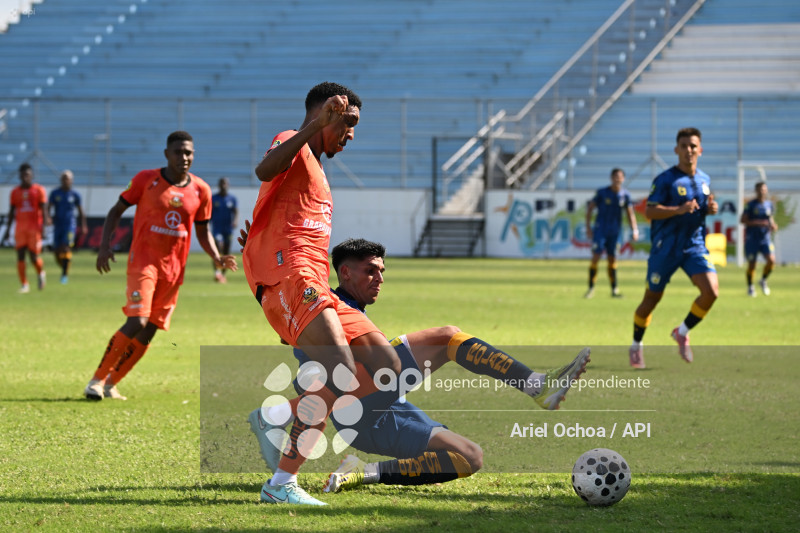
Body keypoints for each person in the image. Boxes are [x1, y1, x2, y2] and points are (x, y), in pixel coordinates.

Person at [246, 237, 591, 494]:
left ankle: (364, 471)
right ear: (345, 272)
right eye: (370, 271)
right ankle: (534, 385)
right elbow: (289, 298)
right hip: (356, 405)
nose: (379, 278)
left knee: (469, 457)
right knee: (446, 337)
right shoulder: (324, 309)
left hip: (381, 417)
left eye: (382, 271)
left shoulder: (349, 312)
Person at [243, 81, 405, 506]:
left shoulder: (316, 166)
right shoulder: (290, 142)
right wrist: (316, 124)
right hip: (293, 277)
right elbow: (263, 171)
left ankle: (279, 416)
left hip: (314, 282)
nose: (350, 134)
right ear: (323, 116)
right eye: (346, 125)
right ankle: (281, 484)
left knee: (386, 365)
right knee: (339, 370)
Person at [83, 131, 237, 401]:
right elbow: (116, 211)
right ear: (167, 154)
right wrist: (105, 246)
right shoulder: (146, 179)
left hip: (174, 270)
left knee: (151, 328)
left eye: (188, 152)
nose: (184, 157)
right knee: (137, 321)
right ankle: (96, 380)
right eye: (178, 152)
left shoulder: (201, 190)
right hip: (144, 263)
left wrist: (216, 256)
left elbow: (203, 230)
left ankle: (111, 384)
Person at [629, 127, 719, 369]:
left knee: (711, 292)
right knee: (651, 300)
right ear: (676, 150)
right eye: (684, 146)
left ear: (700, 149)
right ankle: (636, 345)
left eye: (693, 146)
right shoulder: (665, 180)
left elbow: (702, 206)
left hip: (694, 247)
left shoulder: (705, 179)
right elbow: (649, 211)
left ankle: (682, 332)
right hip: (665, 248)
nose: (688, 150)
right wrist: (677, 210)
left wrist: (709, 210)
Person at [584, 168, 638, 298]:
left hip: (615, 232)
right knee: (596, 257)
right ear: (611, 178)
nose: (617, 179)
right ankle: (591, 288)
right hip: (600, 231)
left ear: (623, 179)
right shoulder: (602, 193)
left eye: (620, 177)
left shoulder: (625, 195)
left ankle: (614, 290)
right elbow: (590, 209)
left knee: (612, 258)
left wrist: (634, 230)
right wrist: (588, 227)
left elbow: (630, 213)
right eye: (615, 177)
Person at [2, 163, 50, 293]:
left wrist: (44, 228)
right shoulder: (15, 192)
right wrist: (7, 231)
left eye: (27, 175)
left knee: (34, 257)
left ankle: (41, 273)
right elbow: (12, 212)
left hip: (34, 229)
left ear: (32, 175)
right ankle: (24, 284)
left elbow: (44, 210)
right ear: (19, 176)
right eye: (23, 175)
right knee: (20, 255)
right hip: (20, 229)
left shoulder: (39, 190)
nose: (25, 177)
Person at [48, 170, 88, 284]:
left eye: (68, 178)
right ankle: (66, 266)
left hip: (70, 225)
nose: (66, 180)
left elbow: (81, 211)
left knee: (66, 248)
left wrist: (83, 225)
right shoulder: (55, 193)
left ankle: (64, 274)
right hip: (58, 225)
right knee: (56, 251)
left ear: (71, 180)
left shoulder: (75, 195)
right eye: (64, 178)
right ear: (61, 180)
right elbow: (48, 207)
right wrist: (48, 218)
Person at [740, 181, 778, 297]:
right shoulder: (750, 205)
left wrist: (773, 224)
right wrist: (757, 223)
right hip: (752, 239)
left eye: (764, 189)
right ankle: (750, 286)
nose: (762, 192)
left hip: (765, 238)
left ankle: (763, 280)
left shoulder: (769, 204)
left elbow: (769, 218)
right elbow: (743, 220)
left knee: (771, 261)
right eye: (760, 190)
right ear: (756, 191)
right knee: (752, 264)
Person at [210, 176, 238, 283]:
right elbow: (209, 212)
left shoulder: (232, 199)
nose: (223, 185)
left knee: (226, 252)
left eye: (225, 183)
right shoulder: (213, 198)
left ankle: (222, 275)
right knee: (217, 248)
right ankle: (216, 272)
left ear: (228, 185)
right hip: (217, 229)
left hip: (228, 229)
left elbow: (235, 211)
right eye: (222, 183)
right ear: (219, 185)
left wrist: (235, 221)